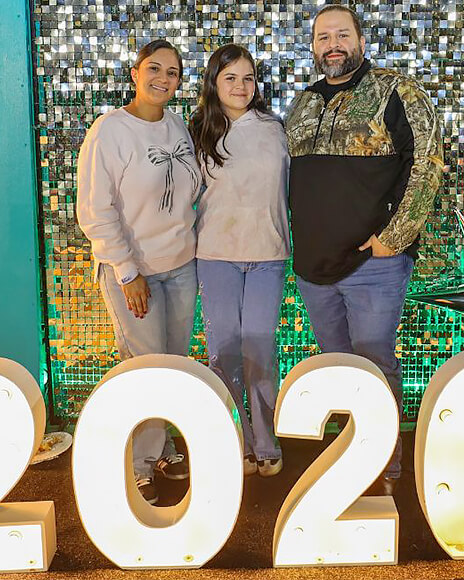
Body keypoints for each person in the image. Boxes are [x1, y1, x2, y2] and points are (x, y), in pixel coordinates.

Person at [285, 4, 443, 495]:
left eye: (342, 35)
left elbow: (428, 162)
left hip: (372, 265)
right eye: (323, 37)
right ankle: (350, 459)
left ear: (359, 40)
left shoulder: (396, 92)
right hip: (313, 266)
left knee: (374, 365)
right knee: (337, 368)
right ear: (313, 47)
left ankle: (385, 466)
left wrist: (394, 237)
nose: (332, 44)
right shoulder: (303, 103)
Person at [76, 40, 200, 505]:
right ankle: (138, 465)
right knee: (146, 368)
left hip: (181, 265)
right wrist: (127, 272)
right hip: (135, 271)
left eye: (173, 72)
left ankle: (161, 448)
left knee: (173, 364)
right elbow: (95, 209)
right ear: (135, 72)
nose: (163, 79)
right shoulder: (110, 131)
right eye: (154, 68)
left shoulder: (177, 126)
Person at [189, 44, 290, 478]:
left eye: (248, 78)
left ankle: (266, 441)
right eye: (230, 78)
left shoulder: (275, 128)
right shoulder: (197, 131)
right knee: (224, 352)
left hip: (268, 254)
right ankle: (237, 440)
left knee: (260, 350)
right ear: (214, 83)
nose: (241, 86)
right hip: (216, 255)